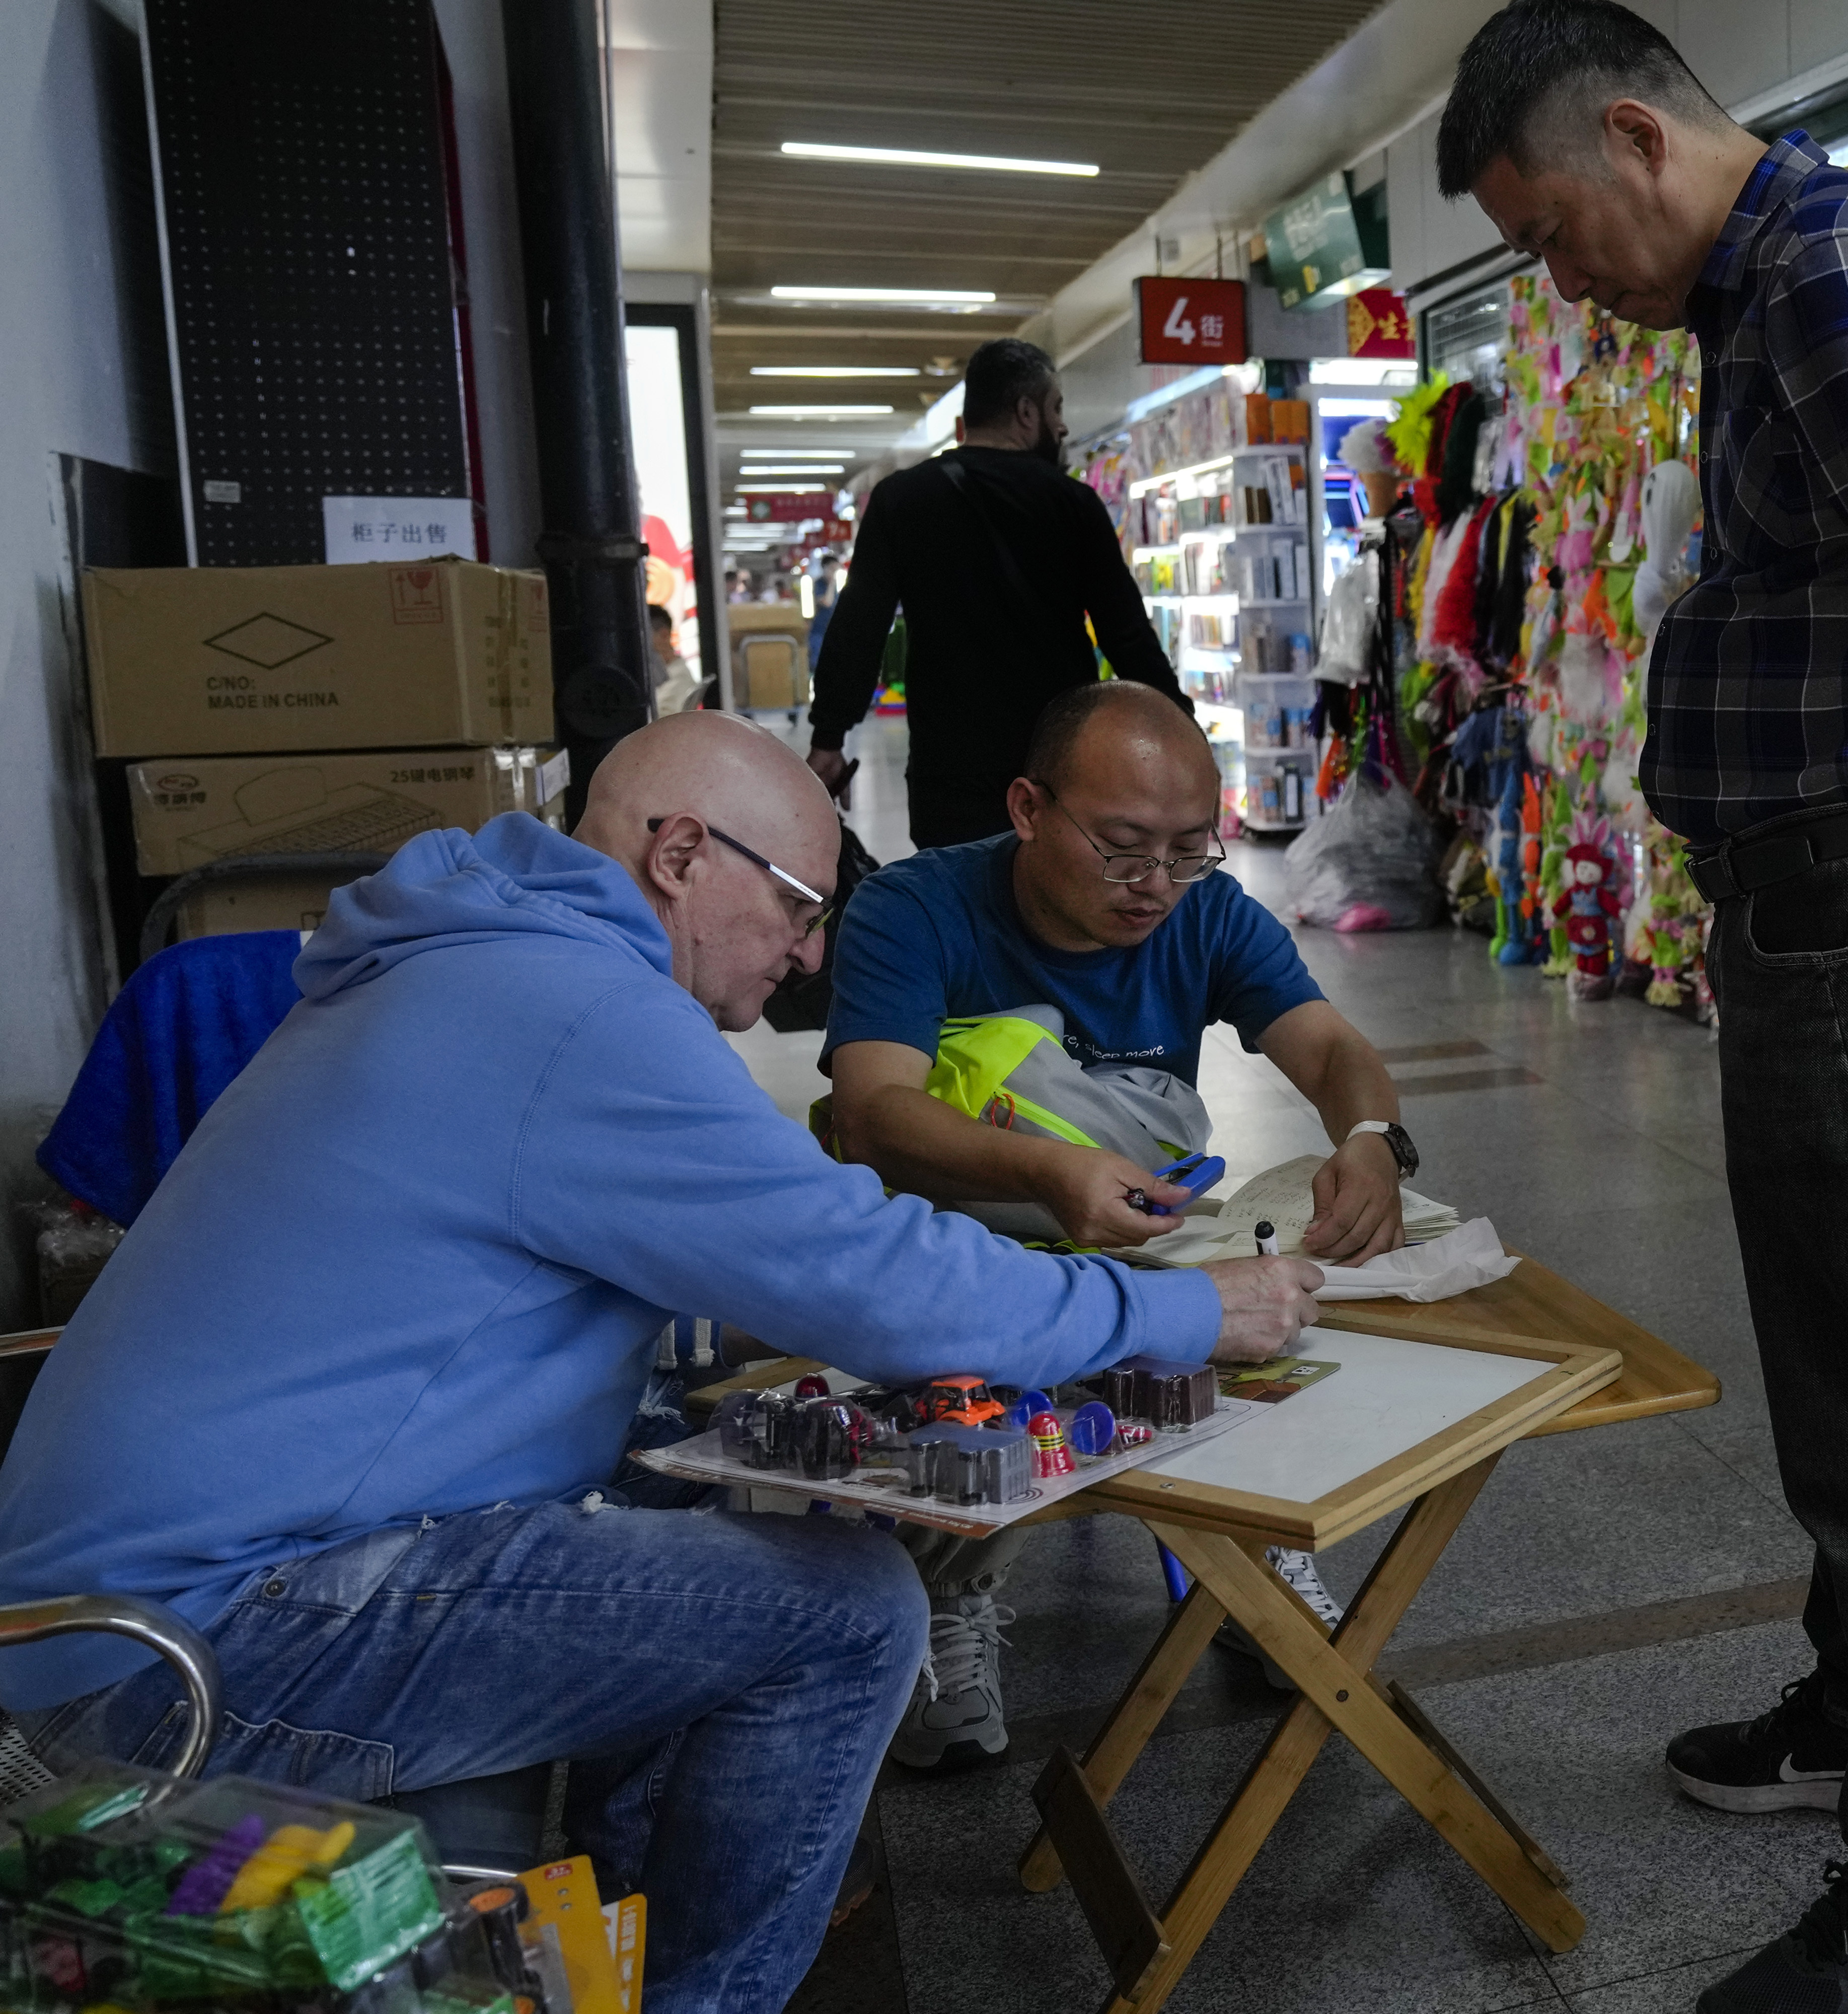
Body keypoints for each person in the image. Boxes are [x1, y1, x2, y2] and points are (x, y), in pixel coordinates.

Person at [0, 713, 1323, 2014]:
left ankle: (618, 1956)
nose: (808, 954)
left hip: (134, 1602)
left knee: (695, 1498)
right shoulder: (575, 1013)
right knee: (849, 1614)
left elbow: (567, 1271)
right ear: (683, 853)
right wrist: (1193, 1311)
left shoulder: (472, 956)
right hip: (179, 1659)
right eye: (800, 907)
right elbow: (879, 1277)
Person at [1442, 8, 1848, 2010]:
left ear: (1636, 135)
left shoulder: (1841, 263)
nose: (1567, 282)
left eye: (1559, 233)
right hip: (1843, 898)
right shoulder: (1770, 294)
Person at [822, 678, 1417, 1768]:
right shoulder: (914, 910)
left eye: (1192, 849)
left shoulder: (1208, 913)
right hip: (966, 1243)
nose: (1156, 886)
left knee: (1276, 1298)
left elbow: (1330, 1049)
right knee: (960, 1380)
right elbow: (872, 1112)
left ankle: (1252, 1541)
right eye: (1124, 847)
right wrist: (1046, 1170)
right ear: (1027, 807)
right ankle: (946, 1590)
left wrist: (1375, 1136)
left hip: (1135, 1228)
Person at [805, 337, 1190, 849]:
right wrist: (1181, 727)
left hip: (949, 768)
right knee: (1061, 905)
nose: (1063, 425)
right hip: (1060, 764)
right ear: (1025, 411)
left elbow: (860, 625)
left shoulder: (903, 498)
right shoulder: (1072, 503)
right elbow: (1127, 637)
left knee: (958, 906)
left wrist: (829, 738)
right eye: (1056, 407)